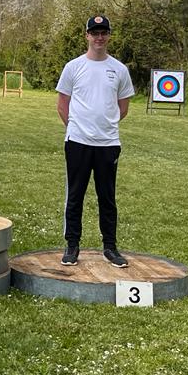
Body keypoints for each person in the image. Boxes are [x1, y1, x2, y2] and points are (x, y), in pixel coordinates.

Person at [55, 14, 135, 268]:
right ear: (87, 35)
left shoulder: (119, 70)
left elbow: (123, 107)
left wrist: (104, 126)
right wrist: (78, 128)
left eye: (103, 33)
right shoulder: (73, 67)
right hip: (78, 142)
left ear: (109, 36)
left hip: (108, 144)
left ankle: (110, 247)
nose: (99, 37)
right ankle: (72, 245)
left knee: (107, 198)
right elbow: (62, 104)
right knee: (75, 195)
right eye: (95, 33)